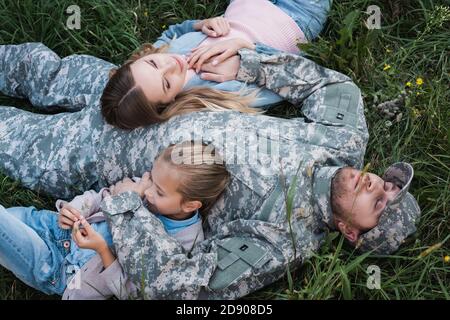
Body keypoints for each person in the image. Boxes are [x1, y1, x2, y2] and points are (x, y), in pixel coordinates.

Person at [0, 41, 421, 299]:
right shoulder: (343, 143)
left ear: (351, 233)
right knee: (43, 68)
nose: (375, 185)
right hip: (151, 95)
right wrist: (247, 66)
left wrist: (126, 204)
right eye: (387, 184)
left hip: (92, 157)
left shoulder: (284, 240)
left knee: (8, 134)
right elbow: (334, 87)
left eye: (379, 203)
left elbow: (178, 284)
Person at [0, 142, 230, 299]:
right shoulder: (150, 188)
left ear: (190, 205)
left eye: (159, 192)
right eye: (151, 179)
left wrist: (102, 249)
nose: (148, 192)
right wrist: (75, 208)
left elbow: (130, 290)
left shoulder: (183, 244)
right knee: (11, 218)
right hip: (57, 229)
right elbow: (102, 196)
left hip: (66, 268)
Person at [101, 0, 333, 128]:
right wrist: (245, 49)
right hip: (295, 16)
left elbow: (175, 31)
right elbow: (284, 84)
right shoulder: (214, 91)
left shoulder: (166, 52)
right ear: (168, 102)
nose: (170, 65)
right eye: (166, 82)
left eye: (153, 63)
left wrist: (201, 24)